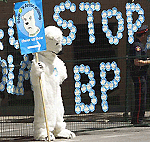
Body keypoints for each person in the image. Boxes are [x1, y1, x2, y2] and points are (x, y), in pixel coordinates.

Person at [129, 25, 149, 126]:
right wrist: (148, 62)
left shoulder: (139, 45)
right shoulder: (137, 46)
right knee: (140, 97)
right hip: (138, 75)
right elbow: (137, 62)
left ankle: (137, 118)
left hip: (142, 75)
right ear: (143, 35)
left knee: (141, 96)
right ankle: (138, 119)